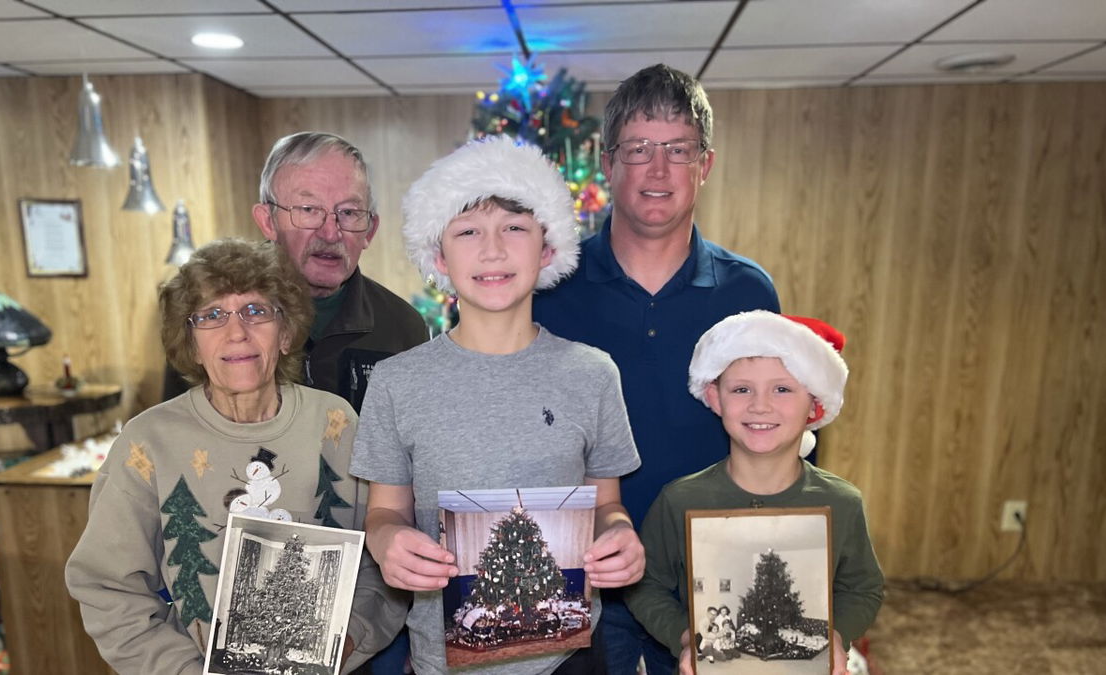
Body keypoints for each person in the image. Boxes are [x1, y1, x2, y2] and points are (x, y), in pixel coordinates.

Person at [351, 136, 644, 675]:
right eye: (467, 232)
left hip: (570, 657)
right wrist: (388, 539)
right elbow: (385, 511)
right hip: (443, 660)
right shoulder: (397, 382)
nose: (492, 250)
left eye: (514, 227)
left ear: (547, 248)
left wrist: (619, 532)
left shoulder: (593, 373)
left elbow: (607, 503)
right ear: (439, 256)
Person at [533, 63, 781, 674]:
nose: (659, 170)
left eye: (678, 149)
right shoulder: (548, 288)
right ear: (607, 161)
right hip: (583, 581)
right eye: (639, 149)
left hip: (711, 579)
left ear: (707, 164)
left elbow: (776, 429)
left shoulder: (749, 292)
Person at [66, 239, 405, 674]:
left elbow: (381, 557)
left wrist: (350, 635)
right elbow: (108, 588)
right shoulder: (147, 442)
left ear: (285, 333)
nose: (236, 332)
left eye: (256, 310)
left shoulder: (336, 422)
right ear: (190, 343)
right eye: (211, 315)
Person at [624, 310, 884, 675]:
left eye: (782, 389)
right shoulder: (679, 500)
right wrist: (685, 638)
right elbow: (646, 585)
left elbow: (863, 587)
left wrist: (838, 637)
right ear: (715, 397)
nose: (760, 405)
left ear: (815, 403)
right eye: (742, 389)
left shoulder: (842, 502)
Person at [164, 132, 428, 411]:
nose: (330, 232)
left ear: (369, 230)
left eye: (349, 212)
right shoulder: (205, 315)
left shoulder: (403, 329)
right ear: (267, 221)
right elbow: (174, 434)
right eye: (308, 209)